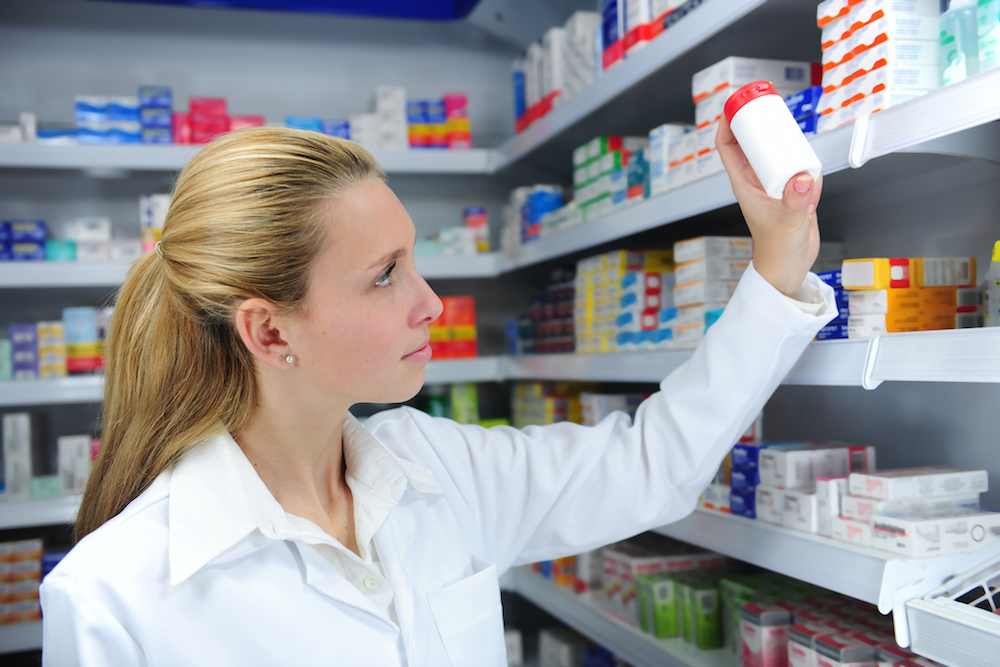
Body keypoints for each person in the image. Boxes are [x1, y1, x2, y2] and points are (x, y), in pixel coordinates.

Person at [40, 122, 833, 666]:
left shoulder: (433, 469)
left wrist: (779, 255)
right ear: (270, 333)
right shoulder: (118, 594)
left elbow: (650, 464)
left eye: (412, 260)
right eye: (385, 274)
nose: (430, 303)